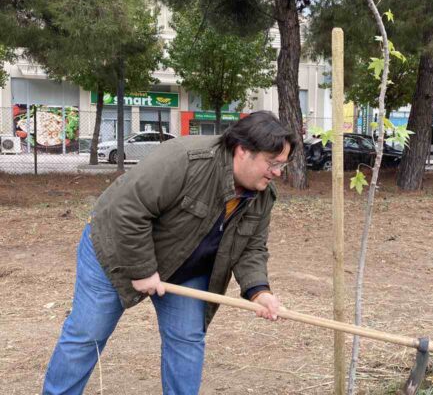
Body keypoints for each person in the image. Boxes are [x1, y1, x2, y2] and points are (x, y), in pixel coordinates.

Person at [43, 111, 297, 395]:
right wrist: (142, 269)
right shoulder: (186, 159)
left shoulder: (262, 195)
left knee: (187, 340)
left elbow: (251, 247)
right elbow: (126, 210)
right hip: (117, 250)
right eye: (273, 163)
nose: (277, 173)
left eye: (282, 165)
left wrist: (259, 291)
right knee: (88, 333)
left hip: (185, 267)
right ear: (242, 150)